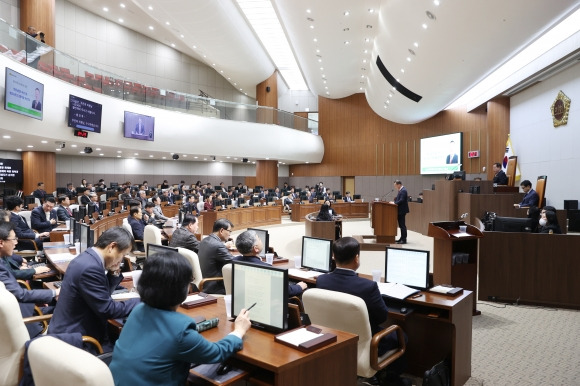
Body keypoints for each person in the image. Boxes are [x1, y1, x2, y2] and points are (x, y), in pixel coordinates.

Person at [109, 251, 251, 384]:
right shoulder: (180, 328)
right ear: (181, 288)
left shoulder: (138, 310)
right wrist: (238, 331)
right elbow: (216, 352)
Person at [316, 237, 407, 385]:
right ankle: (390, 379)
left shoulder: (321, 280)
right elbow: (382, 316)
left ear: (333, 256)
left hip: (331, 339)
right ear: (356, 258)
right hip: (364, 343)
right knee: (401, 335)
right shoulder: (368, 287)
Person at [48, 227, 140, 352]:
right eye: (123, 255)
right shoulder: (90, 268)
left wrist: (113, 273)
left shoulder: (87, 258)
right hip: (77, 339)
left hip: (70, 329)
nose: (122, 260)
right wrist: (141, 301)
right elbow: (107, 309)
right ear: (112, 247)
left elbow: (101, 295)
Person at [0, 221, 58, 338]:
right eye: (14, 239)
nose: (16, 242)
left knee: (59, 306)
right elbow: (20, 295)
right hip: (25, 321)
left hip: (24, 310)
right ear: (1, 242)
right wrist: (54, 292)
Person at [233, 230, 307, 296]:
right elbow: (286, 291)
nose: (261, 240)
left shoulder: (234, 261)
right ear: (256, 248)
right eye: (259, 239)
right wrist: (299, 286)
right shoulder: (267, 269)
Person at [197, 219, 234, 294]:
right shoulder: (218, 246)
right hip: (215, 287)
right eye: (229, 231)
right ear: (221, 231)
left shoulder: (205, 240)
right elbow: (235, 262)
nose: (230, 234)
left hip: (204, 283)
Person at [390, 180, 409, 244]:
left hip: (402, 210)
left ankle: (404, 240)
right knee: (401, 225)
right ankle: (402, 238)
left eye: (395, 185)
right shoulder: (401, 190)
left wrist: (394, 203)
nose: (395, 187)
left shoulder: (403, 190)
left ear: (399, 184)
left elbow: (402, 200)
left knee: (402, 225)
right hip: (400, 210)